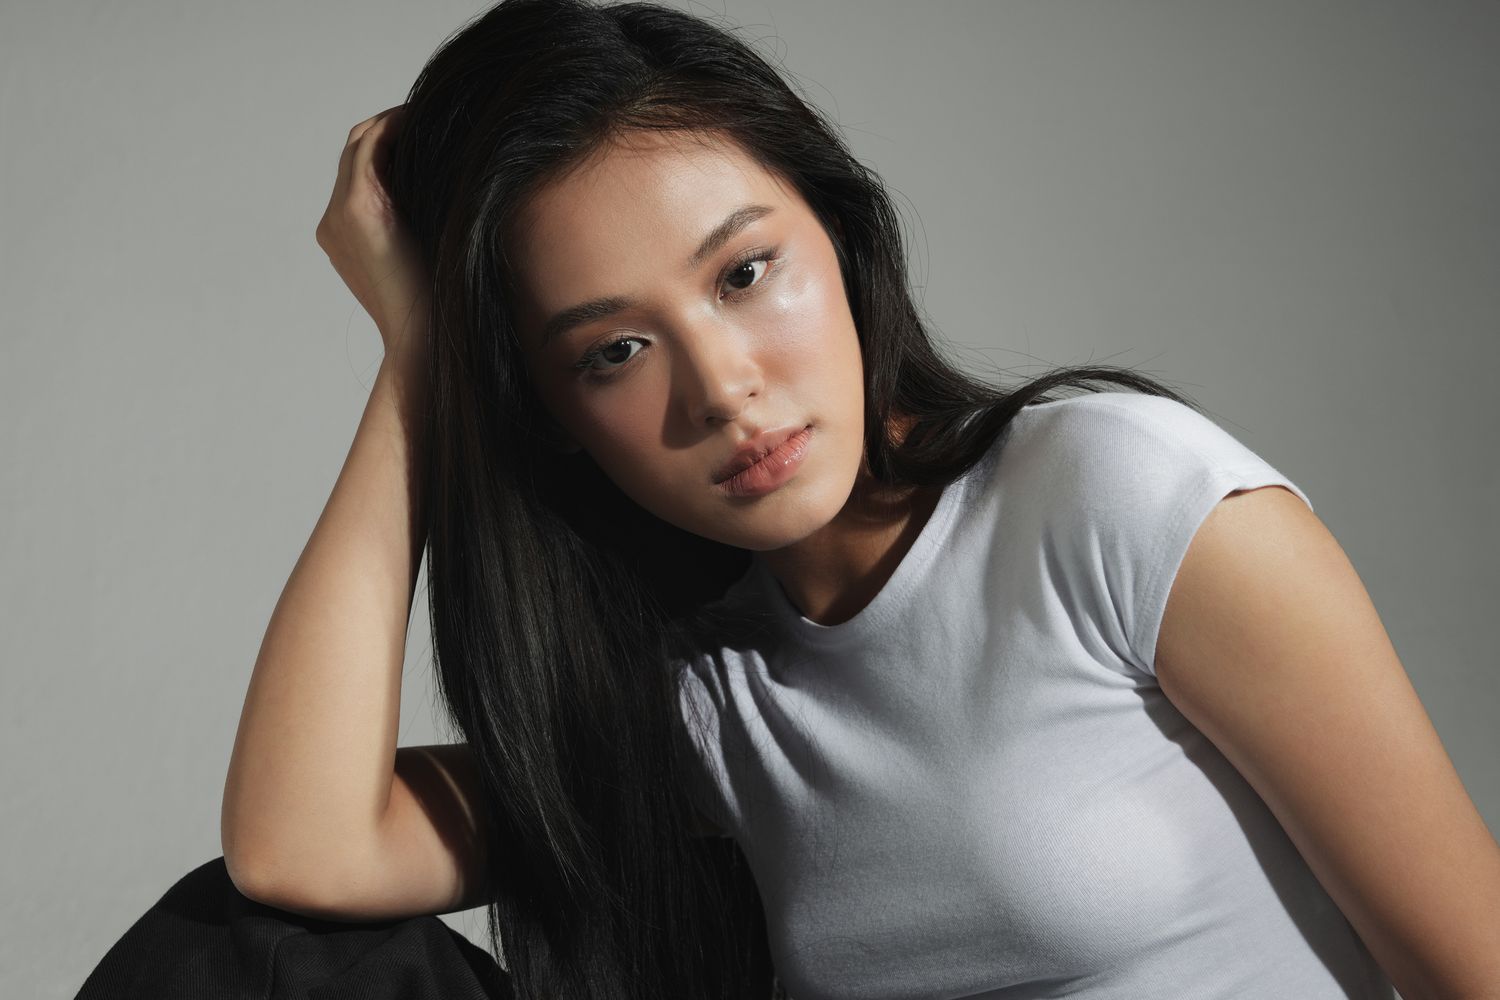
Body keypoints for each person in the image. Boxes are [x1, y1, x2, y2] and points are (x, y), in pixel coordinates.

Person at [77, 1, 1500, 998]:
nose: (724, 391)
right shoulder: (703, 694)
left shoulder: (1118, 499)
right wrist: (420, 361)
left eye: (747, 272)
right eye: (613, 351)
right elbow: (298, 850)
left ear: (840, 232)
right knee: (236, 954)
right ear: (553, 416)